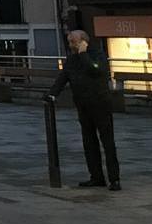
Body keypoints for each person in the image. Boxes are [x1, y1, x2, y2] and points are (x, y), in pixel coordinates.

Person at [46, 30, 121, 191]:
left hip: (100, 104)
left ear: (83, 42)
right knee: (89, 142)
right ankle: (96, 176)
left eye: (73, 42)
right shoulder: (72, 59)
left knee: (107, 142)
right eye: (69, 42)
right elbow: (63, 77)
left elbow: (96, 70)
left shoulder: (97, 55)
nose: (70, 45)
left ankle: (114, 179)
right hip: (83, 105)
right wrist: (52, 94)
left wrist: (83, 54)